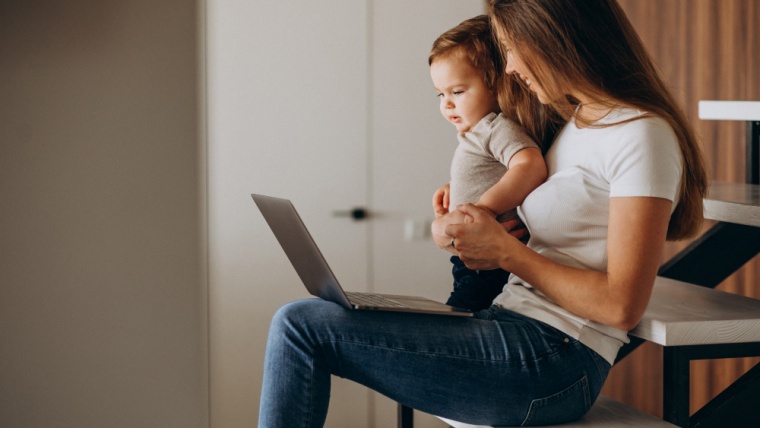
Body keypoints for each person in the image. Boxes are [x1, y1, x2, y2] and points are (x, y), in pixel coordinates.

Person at [258, 0, 708, 426]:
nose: (509, 67)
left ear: (554, 38)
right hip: (509, 321)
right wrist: (471, 205)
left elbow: (621, 306)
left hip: (555, 360)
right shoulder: (575, 124)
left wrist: (507, 253)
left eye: (512, 49)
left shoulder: (641, 136)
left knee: (301, 326)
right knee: (310, 318)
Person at [429, 15, 546, 311]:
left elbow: (529, 165)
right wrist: (455, 188)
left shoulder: (497, 127)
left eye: (457, 92)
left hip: (490, 263)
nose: (447, 104)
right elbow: (497, 171)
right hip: (474, 260)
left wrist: (484, 208)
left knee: (457, 324)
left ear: (497, 85)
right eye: (440, 94)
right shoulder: (478, 131)